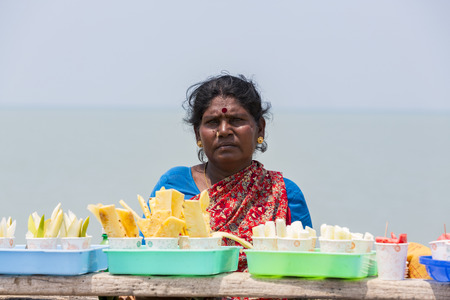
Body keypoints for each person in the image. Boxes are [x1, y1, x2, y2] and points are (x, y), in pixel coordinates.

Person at [149, 74, 312, 270]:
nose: (224, 130)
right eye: (212, 122)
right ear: (197, 134)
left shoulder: (284, 193)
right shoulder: (173, 187)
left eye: (236, 120)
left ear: (260, 129)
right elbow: (146, 253)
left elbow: (304, 267)